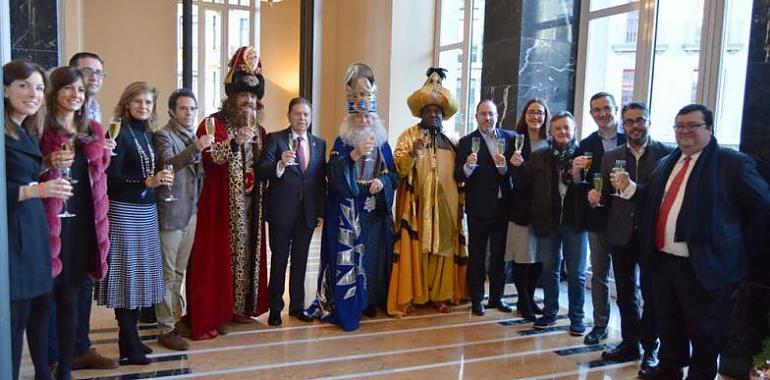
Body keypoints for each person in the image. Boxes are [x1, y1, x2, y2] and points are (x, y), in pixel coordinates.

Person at [617, 104, 770, 379]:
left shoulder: (731, 164)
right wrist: (631, 189)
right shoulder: (668, 162)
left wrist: (732, 243)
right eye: (679, 126)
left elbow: (762, 206)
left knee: (705, 331)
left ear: (709, 129)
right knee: (668, 324)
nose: (684, 131)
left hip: (703, 266)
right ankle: (669, 369)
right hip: (664, 262)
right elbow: (654, 201)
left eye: (692, 125)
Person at [185, 46, 269, 339]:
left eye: (253, 96)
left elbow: (264, 166)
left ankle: (239, 307)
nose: (249, 100)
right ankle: (215, 311)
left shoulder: (260, 131)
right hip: (218, 206)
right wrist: (234, 142)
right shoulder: (212, 123)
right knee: (216, 259)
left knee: (246, 255)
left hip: (250, 207)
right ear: (231, 96)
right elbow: (213, 157)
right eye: (244, 95)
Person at [307, 63, 398, 330]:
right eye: (359, 118)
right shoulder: (342, 142)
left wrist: (382, 182)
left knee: (372, 258)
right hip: (348, 209)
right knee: (348, 259)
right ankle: (348, 302)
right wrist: (355, 155)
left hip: (373, 211)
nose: (365, 121)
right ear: (351, 119)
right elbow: (332, 174)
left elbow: (394, 174)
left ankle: (368, 300)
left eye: (369, 117)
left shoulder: (383, 143)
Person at [38, 66, 112, 380]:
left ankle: (66, 367)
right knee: (44, 301)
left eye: (80, 90)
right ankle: (46, 366)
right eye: (68, 88)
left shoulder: (92, 130)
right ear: (54, 91)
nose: (75, 95)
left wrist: (105, 154)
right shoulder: (40, 129)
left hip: (83, 221)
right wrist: (46, 163)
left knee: (71, 296)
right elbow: (24, 172)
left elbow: (98, 176)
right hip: (49, 222)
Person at [587, 102, 671, 374]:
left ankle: (651, 349)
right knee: (625, 293)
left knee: (652, 294)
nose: (635, 125)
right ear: (623, 125)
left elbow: (663, 198)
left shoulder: (666, 155)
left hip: (650, 235)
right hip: (620, 235)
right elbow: (609, 198)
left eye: (640, 120)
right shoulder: (612, 157)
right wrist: (595, 199)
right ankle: (630, 343)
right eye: (630, 121)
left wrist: (635, 189)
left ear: (649, 121)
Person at [95, 82, 170, 365]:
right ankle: (126, 338)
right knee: (126, 276)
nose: (143, 106)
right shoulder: (118, 132)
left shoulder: (148, 133)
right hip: (124, 211)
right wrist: (145, 182)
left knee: (140, 276)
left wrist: (154, 182)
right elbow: (111, 179)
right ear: (126, 103)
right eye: (137, 101)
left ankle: (131, 338)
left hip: (146, 210)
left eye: (148, 102)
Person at [387, 67, 469, 317]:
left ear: (443, 115)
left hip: (446, 206)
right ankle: (414, 294)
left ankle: (441, 296)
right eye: (429, 111)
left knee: (443, 250)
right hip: (417, 206)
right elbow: (397, 169)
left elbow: (462, 173)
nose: (433, 115)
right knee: (417, 248)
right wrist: (413, 152)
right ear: (421, 114)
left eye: (437, 112)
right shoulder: (408, 136)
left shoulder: (454, 140)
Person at [5, 59, 68, 380]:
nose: (33, 93)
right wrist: (40, 189)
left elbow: (21, 174)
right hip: (12, 236)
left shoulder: (22, 128)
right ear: (5, 89)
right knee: (15, 321)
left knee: (41, 309)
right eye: (24, 85)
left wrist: (45, 164)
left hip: (32, 231)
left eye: (40, 87)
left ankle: (43, 373)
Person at [56, 51, 116, 370]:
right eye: (86, 73)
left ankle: (80, 346)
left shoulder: (92, 116)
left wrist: (102, 152)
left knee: (82, 279)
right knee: (59, 285)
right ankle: (57, 354)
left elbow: (95, 167)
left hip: (87, 209)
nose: (92, 80)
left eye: (98, 74)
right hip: (58, 210)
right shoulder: (48, 121)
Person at [511, 111, 588, 335]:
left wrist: (577, 174)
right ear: (551, 132)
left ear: (573, 130)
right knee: (549, 270)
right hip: (547, 221)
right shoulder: (540, 156)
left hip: (576, 222)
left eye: (566, 127)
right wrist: (516, 166)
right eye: (558, 128)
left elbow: (591, 189)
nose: (562, 132)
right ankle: (549, 312)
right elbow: (524, 184)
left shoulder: (584, 156)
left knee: (576, 273)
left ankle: (577, 318)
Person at [258, 96, 327, 326]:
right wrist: (279, 164)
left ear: (310, 117)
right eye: (297, 114)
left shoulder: (319, 143)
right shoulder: (275, 140)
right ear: (289, 116)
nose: (302, 118)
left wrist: (320, 211)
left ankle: (297, 306)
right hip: (281, 212)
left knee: (301, 261)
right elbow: (262, 170)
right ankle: (275, 308)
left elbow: (319, 181)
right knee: (279, 261)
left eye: (306, 114)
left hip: (306, 213)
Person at [152, 89, 213, 349]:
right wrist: (196, 148)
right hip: (171, 211)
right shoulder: (163, 135)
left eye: (192, 109)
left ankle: (174, 319)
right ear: (172, 111)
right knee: (167, 274)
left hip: (191, 212)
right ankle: (165, 328)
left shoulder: (192, 136)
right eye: (184, 108)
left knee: (179, 271)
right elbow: (168, 163)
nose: (189, 113)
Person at [571, 91, 627, 345]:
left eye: (606, 108)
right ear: (592, 114)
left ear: (616, 109)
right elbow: (579, 183)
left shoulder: (631, 139)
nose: (602, 114)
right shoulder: (586, 144)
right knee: (600, 275)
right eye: (596, 110)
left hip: (627, 219)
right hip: (599, 218)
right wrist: (587, 193)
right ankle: (600, 324)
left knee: (628, 278)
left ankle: (631, 331)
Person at [454, 99, 515, 316]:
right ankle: (477, 299)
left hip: (503, 207)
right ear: (476, 116)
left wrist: (505, 169)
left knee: (500, 255)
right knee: (477, 255)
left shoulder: (511, 139)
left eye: (491, 113)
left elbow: (517, 174)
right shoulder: (466, 142)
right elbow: (458, 176)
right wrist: (468, 167)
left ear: (497, 116)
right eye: (482, 114)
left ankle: (497, 298)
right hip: (479, 207)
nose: (487, 118)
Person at [505, 98, 550, 320]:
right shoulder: (515, 143)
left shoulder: (550, 143)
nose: (535, 116)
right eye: (531, 112)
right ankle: (523, 301)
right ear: (524, 115)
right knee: (522, 258)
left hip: (544, 211)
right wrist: (517, 167)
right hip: (521, 208)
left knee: (538, 259)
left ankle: (530, 298)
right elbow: (513, 178)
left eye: (540, 113)